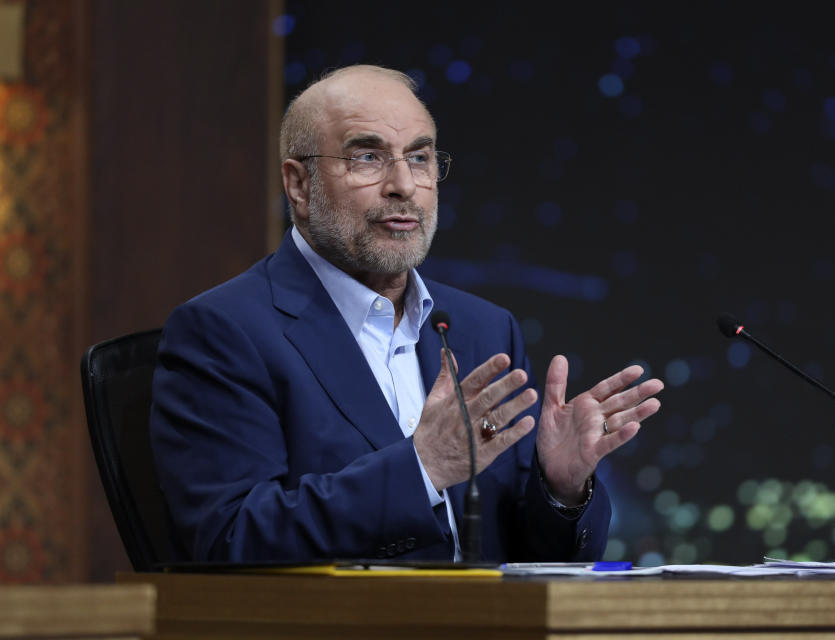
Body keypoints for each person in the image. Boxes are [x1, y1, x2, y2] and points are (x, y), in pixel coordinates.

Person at [149, 64, 664, 563]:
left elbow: (522, 558)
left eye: (419, 158)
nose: (403, 185)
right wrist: (420, 467)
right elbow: (231, 541)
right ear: (299, 186)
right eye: (367, 158)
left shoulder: (483, 329)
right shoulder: (225, 332)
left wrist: (560, 488)